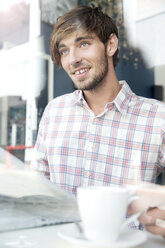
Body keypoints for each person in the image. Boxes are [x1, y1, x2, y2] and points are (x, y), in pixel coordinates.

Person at [33, 5, 165, 234]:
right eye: (64, 50)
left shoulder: (157, 118)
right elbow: (38, 192)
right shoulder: (54, 112)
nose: (73, 59)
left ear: (110, 45)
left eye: (83, 43)